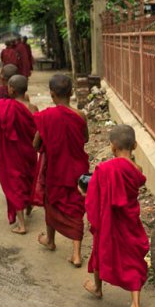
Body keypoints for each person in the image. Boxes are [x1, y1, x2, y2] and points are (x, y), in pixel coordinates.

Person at [83, 124, 150, 307]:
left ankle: (97, 288)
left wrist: (92, 219)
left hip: (109, 220)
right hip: (130, 221)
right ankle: (135, 305)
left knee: (99, 251)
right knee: (133, 260)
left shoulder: (104, 169)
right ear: (135, 145)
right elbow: (139, 182)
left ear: (112, 147)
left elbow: (93, 197)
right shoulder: (137, 169)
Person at [33, 74, 89, 267]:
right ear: (71, 92)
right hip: (77, 169)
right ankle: (76, 254)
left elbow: (35, 144)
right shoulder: (80, 115)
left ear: (51, 94)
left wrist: (45, 134)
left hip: (56, 169)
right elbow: (86, 139)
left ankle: (50, 240)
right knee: (75, 207)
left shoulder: (46, 117)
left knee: (52, 203)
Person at [0, 75, 39, 234]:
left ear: (11, 89)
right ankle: (29, 205)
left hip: (13, 152)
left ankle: (22, 225)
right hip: (29, 152)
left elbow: (1, 124)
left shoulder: (4, 105)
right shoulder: (33, 108)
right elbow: (36, 131)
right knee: (28, 178)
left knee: (15, 184)